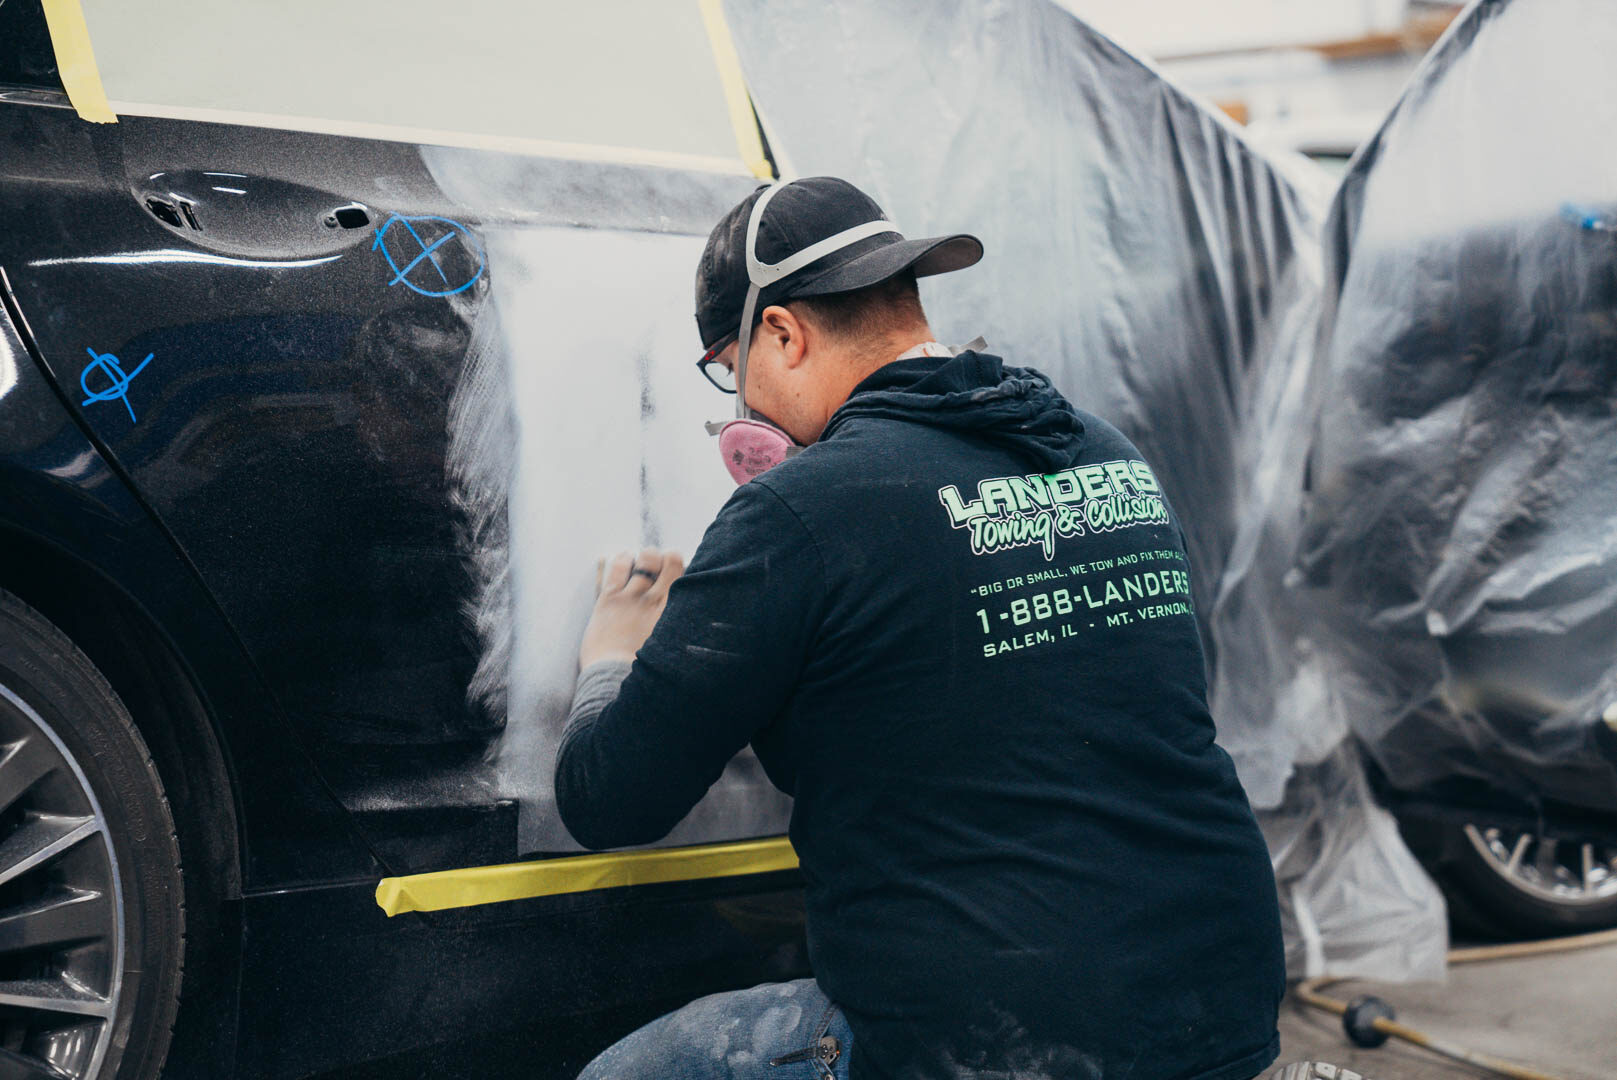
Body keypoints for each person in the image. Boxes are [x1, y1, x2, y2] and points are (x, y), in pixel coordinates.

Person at [557, 176, 1288, 1080]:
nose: (738, 405)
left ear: (781, 333)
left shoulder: (800, 512)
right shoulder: (1106, 452)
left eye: (728, 368)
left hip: (1003, 1040)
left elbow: (608, 798)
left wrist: (612, 656)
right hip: (1220, 1002)